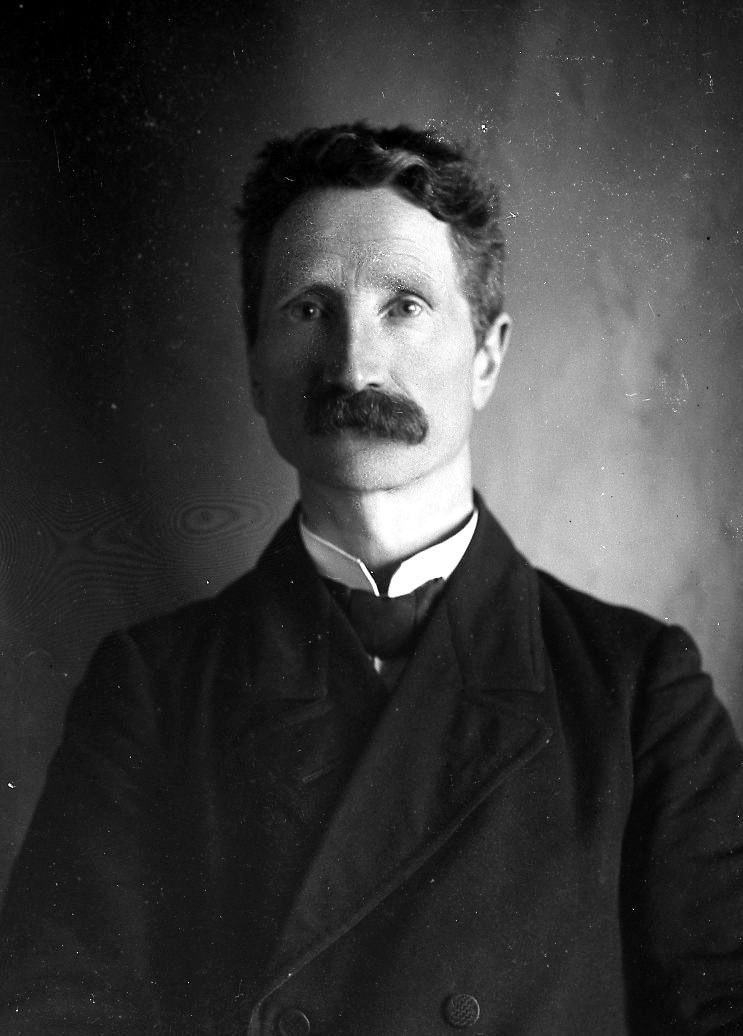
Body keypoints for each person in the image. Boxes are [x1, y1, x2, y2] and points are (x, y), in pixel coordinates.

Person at [1, 122, 742, 1036]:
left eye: (404, 306)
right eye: (308, 310)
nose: (353, 365)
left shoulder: (637, 691)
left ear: (487, 355)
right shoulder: (150, 688)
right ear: (254, 368)